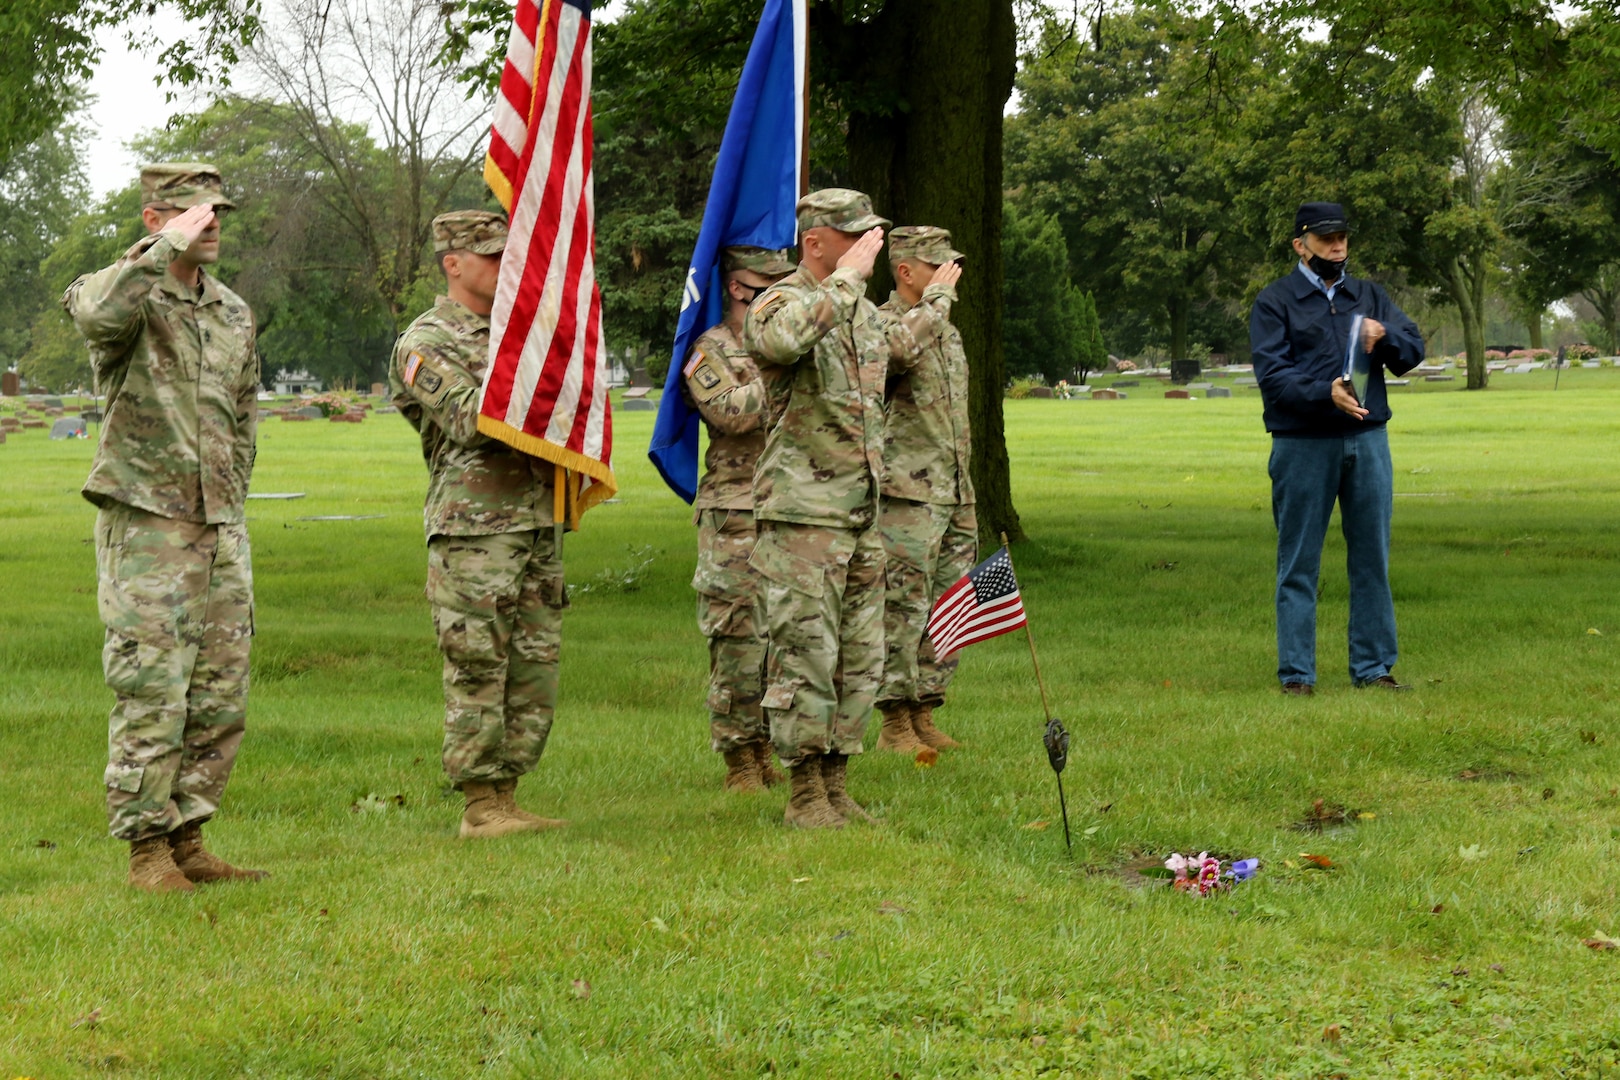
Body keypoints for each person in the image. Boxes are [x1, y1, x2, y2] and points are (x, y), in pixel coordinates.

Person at [64, 162, 265, 892]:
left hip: (219, 522)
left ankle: (189, 838)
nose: (211, 223)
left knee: (218, 690)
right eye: (193, 212)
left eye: (218, 212)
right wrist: (154, 254)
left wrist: (234, 500)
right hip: (149, 521)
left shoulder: (232, 311)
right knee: (152, 686)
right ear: (156, 220)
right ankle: (146, 849)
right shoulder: (126, 293)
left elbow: (242, 415)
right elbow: (91, 315)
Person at [743, 189, 962, 828]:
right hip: (802, 516)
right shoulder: (780, 300)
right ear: (817, 242)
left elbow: (904, 348)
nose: (871, 244)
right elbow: (781, 342)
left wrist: (932, 301)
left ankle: (838, 783)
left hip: (862, 515)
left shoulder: (864, 315)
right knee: (805, 655)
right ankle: (804, 792)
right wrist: (843, 284)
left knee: (858, 658)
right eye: (858, 235)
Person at [390, 210, 568, 838]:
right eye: (492, 257)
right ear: (453, 263)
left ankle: (508, 792)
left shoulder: (521, 332)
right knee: (477, 664)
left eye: (508, 255)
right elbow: (468, 418)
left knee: (532, 666)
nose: (506, 268)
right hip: (474, 527)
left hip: (535, 519)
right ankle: (478, 805)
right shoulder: (425, 342)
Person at [1249, 201, 1425, 695]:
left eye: (1343, 236)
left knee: (1372, 558)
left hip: (1368, 442)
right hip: (1302, 446)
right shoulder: (1274, 302)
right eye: (1326, 238)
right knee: (1298, 562)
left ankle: (1373, 669)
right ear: (1300, 245)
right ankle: (1298, 676)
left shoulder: (1369, 295)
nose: (1337, 245)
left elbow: (1412, 352)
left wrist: (1384, 333)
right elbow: (1274, 377)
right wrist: (1324, 391)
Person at [682, 245, 796, 792]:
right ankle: (738, 758)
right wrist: (779, 373)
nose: (776, 288)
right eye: (765, 279)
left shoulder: (786, 344)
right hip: (735, 514)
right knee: (738, 639)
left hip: (786, 508)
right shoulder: (711, 349)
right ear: (736, 286)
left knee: (781, 639)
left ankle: (767, 749)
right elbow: (730, 412)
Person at [874, 226, 975, 753]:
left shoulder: (948, 331)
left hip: (955, 490)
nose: (949, 277)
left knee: (949, 604)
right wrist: (932, 308)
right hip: (907, 493)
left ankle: (925, 707)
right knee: (903, 605)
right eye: (938, 267)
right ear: (906, 272)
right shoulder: (884, 324)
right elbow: (890, 360)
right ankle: (894, 719)